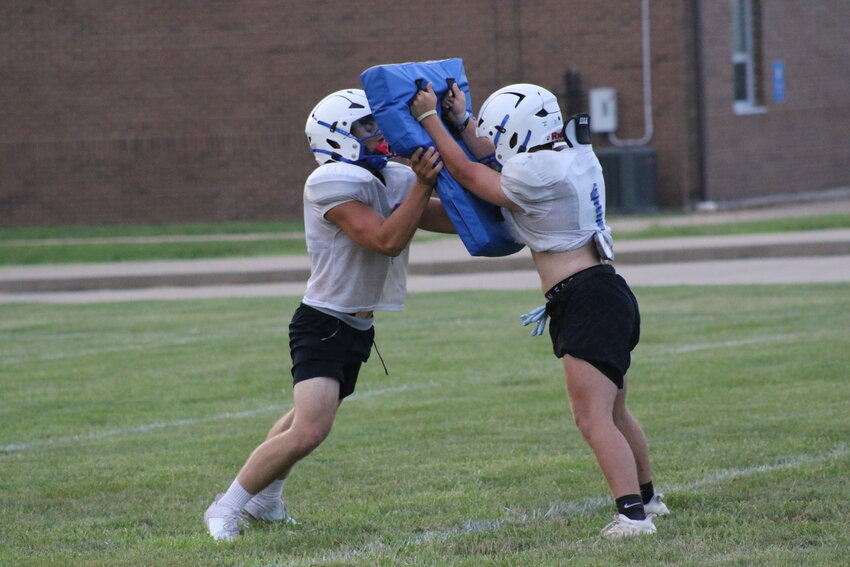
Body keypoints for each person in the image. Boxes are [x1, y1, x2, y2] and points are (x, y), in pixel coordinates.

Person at [410, 81, 669, 539]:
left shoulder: (538, 170)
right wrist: (461, 120)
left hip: (585, 297)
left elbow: (473, 175)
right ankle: (648, 499)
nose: (493, 141)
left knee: (592, 418)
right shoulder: (567, 153)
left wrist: (432, 120)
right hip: (604, 291)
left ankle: (632, 516)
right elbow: (492, 153)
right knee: (614, 413)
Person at [204, 88, 454, 541]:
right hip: (323, 321)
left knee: (302, 422)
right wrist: (423, 182)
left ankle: (264, 499)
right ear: (337, 135)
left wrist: (470, 164)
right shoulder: (329, 180)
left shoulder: (390, 177)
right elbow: (385, 240)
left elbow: (448, 219)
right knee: (312, 430)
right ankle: (227, 506)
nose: (378, 134)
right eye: (365, 126)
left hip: (358, 325)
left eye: (376, 123)